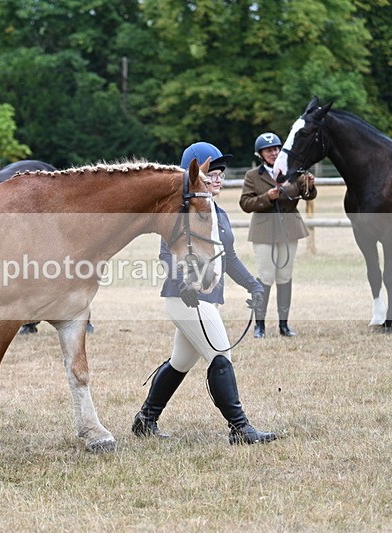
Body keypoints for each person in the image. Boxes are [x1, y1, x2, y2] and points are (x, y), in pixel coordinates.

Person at [132, 141, 276, 445]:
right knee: (220, 354)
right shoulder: (180, 210)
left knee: (180, 363)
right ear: (193, 176)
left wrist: (253, 284)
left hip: (208, 297)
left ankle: (145, 420)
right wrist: (184, 280)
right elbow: (166, 254)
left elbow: (230, 258)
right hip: (185, 297)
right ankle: (240, 428)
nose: (219, 178)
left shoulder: (216, 212)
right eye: (212, 174)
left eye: (221, 173)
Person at [239, 132, 317, 338]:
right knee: (265, 276)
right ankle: (260, 325)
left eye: (276, 149)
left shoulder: (293, 172)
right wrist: (267, 197)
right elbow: (245, 204)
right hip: (264, 230)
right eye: (269, 150)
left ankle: (284, 324)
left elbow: (308, 195)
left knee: (285, 276)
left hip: (289, 228)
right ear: (260, 154)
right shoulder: (252, 176)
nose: (273, 153)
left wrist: (310, 185)